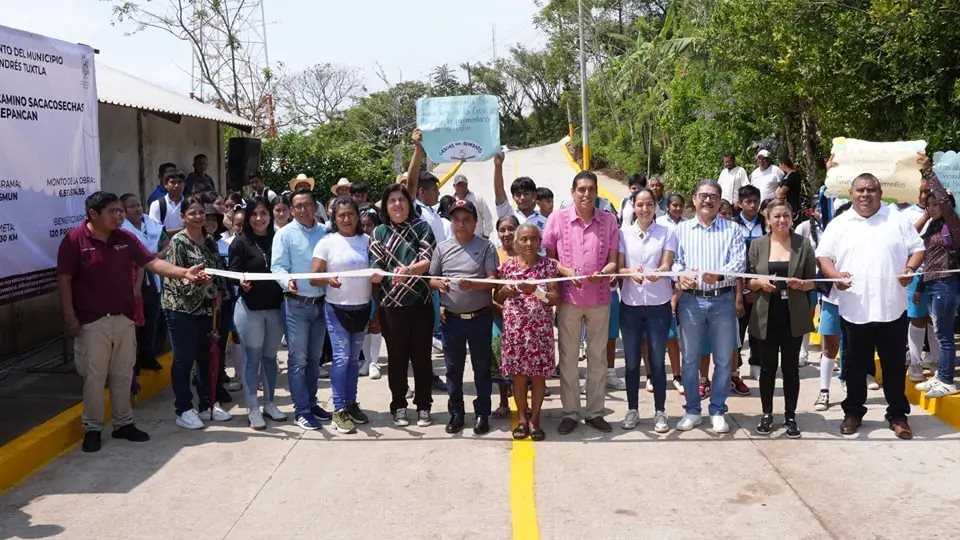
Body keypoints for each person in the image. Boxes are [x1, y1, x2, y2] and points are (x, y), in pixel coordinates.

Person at [57, 191, 205, 452]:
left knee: (123, 374)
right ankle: (92, 428)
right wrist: (69, 316)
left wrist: (185, 273)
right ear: (93, 214)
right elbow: (64, 281)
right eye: (113, 211)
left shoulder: (125, 239)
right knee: (94, 377)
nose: (119, 216)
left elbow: (152, 262)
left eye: (120, 211)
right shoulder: (74, 240)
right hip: (92, 322)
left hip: (123, 319)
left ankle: (123, 424)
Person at [816, 173, 925, 439]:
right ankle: (853, 412)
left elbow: (918, 248)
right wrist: (835, 276)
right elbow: (823, 255)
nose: (865, 195)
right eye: (860, 190)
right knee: (854, 366)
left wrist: (909, 268)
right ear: (852, 194)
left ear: (880, 192)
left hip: (892, 308)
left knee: (894, 366)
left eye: (871, 190)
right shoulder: (840, 223)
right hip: (855, 309)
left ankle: (898, 415)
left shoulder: (897, 220)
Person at [543, 170, 620, 435]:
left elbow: (614, 260)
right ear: (573, 192)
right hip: (568, 300)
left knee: (598, 359)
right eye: (581, 189)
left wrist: (605, 271)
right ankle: (571, 413)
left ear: (597, 192)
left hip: (599, 299)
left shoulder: (609, 221)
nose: (586, 194)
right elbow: (548, 259)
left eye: (591, 189)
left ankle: (596, 412)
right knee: (568, 359)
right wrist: (564, 272)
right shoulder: (557, 219)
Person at [673, 179, 746, 433]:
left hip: (722, 300)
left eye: (713, 196)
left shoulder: (732, 229)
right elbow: (674, 262)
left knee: (724, 360)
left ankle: (717, 409)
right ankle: (692, 410)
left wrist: (720, 275)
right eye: (702, 195)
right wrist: (679, 275)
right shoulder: (681, 230)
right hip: (691, 301)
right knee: (690, 359)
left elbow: (739, 264)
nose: (707, 200)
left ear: (719, 200)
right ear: (693, 200)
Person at [369, 183, 437, 428]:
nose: (397, 204)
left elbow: (427, 260)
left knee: (422, 358)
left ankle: (423, 405)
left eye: (402, 200)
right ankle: (398, 405)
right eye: (392, 201)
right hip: (391, 306)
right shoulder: (379, 232)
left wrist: (409, 271)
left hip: (421, 304)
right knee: (396, 359)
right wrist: (379, 274)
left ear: (410, 204)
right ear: (386, 206)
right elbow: (376, 264)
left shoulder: (421, 227)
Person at [746, 199, 816, 438]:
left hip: (792, 315)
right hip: (766, 315)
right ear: (767, 220)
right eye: (776, 216)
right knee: (767, 368)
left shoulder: (803, 245)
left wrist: (802, 284)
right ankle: (767, 414)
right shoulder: (757, 245)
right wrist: (759, 283)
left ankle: (790, 416)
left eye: (786, 215)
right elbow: (748, 279)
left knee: (790, 369)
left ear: (792, 217)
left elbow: (813, 282)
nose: (781, 220)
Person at [161, 195, 231, 430]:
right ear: (183, 217)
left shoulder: (210, 241)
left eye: (201, 212)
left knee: (206, 357)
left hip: (207, 309)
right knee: (184, 359)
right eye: (193, 213)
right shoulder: (178, 242)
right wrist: (196, 281)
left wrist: (220, 293)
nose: (199, 217)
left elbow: (219, 271)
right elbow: (173, 276)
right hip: (181, 309)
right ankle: (184, 408)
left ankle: (207, 403)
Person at [429, 200, 498, 435]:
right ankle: (456, 413)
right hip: (452, 320)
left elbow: (492, 280)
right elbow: (430, 279)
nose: (461, 224)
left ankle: (482, 414)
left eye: (466, 219)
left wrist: (473, 284)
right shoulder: (442, 248)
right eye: (456, 220)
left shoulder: (486, 247)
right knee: (453, 369)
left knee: (481, 370)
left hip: (480, 318)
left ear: (475, 222)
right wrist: (438, 284)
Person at [310, 196, 374, 434]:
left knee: (354, 360)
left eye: (350, 214)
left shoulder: (368, 240)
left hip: (363, 307)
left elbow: (377, 272)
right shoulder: (327, 242)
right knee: (341, 358)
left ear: (358, 216)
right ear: (334, 218)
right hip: (337, 309)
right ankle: (338, 409)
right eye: (341, 215)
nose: (346, 219)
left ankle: (350, 403)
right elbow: (313, 276)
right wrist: (328, 278)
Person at [271, 188, 331, 430]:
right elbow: (277, 267)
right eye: (298, 206)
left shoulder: (326, 233)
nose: (303, 210)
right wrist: (288, 282)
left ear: (316, 207)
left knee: (315, 359)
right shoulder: (284, 235)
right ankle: (302, 410)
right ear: (292, 210)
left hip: (321, 303)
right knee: (298, 360)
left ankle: (312, 402)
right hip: (296, 305)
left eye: (307, 205)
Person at [618, 188, 676, 433]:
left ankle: (660, 411)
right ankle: (633, 409)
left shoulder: (667, 232)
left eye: (649, 204)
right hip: (630, 305)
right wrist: (630, 273)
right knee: (632, 363)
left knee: (657, 361)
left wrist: (658, 272)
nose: (644, 209)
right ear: (633, 205)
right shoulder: (623, 234)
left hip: (658, 305)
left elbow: (666, 262)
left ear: (655, 206)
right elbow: (619, 268)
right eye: (639, 204)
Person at [497, 224, 561, 441]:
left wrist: (536, 291)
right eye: (524, 239)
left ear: (539, 242)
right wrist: (504, 291)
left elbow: (555, 298)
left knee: (538, 376)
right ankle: (522, 419)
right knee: (519, 378)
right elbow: (496, 296)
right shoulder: (507, 267)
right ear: (516, 242)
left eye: (533, 239)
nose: (528, 243)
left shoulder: (548, 267)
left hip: (539, 331)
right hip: (515, 331)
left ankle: (536, 419)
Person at [229, 196, 286, 430]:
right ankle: (252, 408)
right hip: (249, 309)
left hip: (275, 309)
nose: (259, 218)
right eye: (254, 214)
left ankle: (269, 404)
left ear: (271, 215)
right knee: (252, 359)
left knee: (270, 358)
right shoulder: (239, 243)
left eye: (263, 213)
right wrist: (240, 281)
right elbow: (233, 272)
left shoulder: (279, 239)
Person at [912, 158, 960, 398]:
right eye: (927, 204)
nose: (930, 207)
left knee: (944, 334)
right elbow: (926, 259)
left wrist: (928, 170)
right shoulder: (932, 227)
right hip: (932, 283)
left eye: (934, 204)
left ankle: (948, 380)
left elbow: (943, 199)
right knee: (940, 333)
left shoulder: (953, 226)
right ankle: (940, 376)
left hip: (947, 284)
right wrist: (920, 286)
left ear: (945, 206)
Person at [120, 193, 166, 372]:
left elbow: (165, 242)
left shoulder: (152, 224)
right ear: (123, 211)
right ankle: (134, 361)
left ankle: (149, 355)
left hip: (153, 273)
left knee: (151, 317)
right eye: (132, 206)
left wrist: (158, 256)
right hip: (132, 277)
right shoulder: (122, 230)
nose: (137, 209)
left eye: (138, 205)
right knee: (134, 322)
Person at [734, 184, 766, 381]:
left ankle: (757, 363)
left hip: (762, 285)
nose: (753, 205)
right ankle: (734, 368)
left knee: (760, 328)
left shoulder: (766, 223)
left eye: (756, 201)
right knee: (737, 330)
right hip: (738, 286)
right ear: (740, 203)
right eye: (748, 202)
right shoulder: (731, 224)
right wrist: (744, 289)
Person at [493, 152, 548, 231]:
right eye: (518, 195)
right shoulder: (508, 213)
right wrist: (498, 166)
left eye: (526, 194)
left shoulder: (544, 222)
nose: (522, 198)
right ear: (513, 197)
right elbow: (499, 191)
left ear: (534, 195)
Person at [359, 210, 384, 379]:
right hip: (359, 287)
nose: (366, 228)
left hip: (376, 287)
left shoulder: (378, 241)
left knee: (375, 323)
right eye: (363, 225)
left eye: (369, 225)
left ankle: (374, 361)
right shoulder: (357, 240)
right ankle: (366, 360)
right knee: (363, 326)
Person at [452, 174, 494, 239]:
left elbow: (487, 216)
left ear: (467, 185)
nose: (462, 187)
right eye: (459, 185)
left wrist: (486, 234)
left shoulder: (477, 198)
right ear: (454, 186)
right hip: (459, 239)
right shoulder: (452, 200)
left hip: (477, 237)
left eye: (464, 184)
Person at [148, 169, 187, 235]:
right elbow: (155, 232)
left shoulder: (191, 204)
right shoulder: (157, 205)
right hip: (166, 245)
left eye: (180, 182)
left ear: (184, 184)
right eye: (172, 182)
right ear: (165, 185)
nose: (177, 185)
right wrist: (184, 230)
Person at [776, 157, 803, 225]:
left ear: (783, 164)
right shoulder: (786, 176)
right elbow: (777, 193)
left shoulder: (792, 176)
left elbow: (780, 193)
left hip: (793, 207)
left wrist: (780, 192)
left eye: (779, 164)